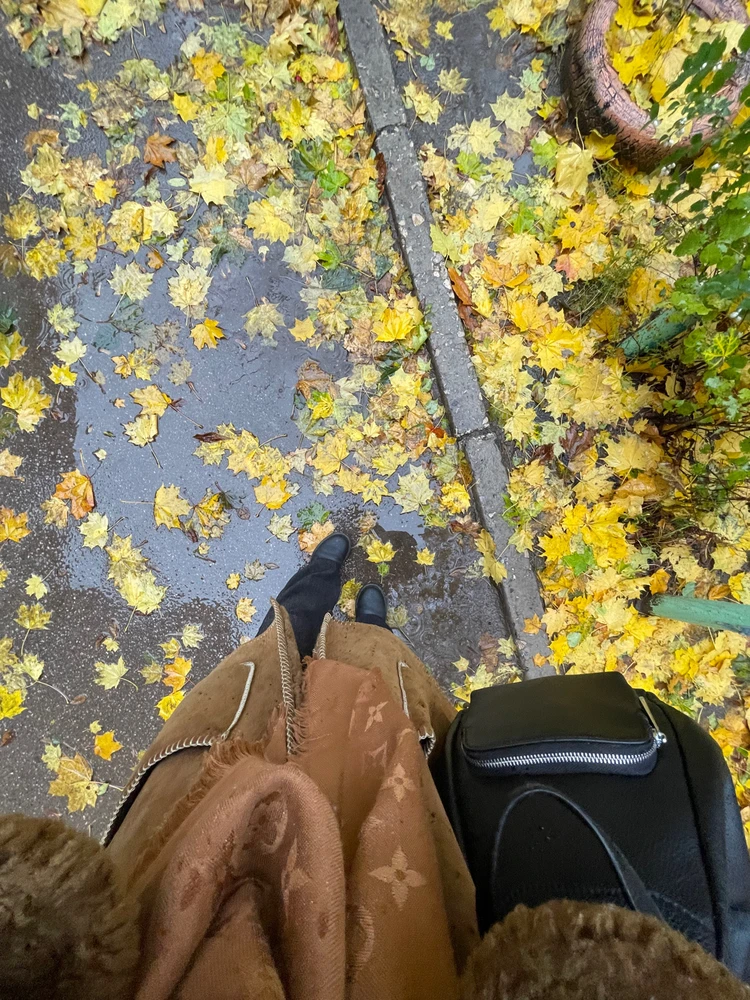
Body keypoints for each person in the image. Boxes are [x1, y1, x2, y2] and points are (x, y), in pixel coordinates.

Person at [2, 533, 749, 999]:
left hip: (168, 893)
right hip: (416, 937)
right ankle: (367, 632)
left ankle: (298, 616)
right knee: (390, 705)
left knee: (253, 689)